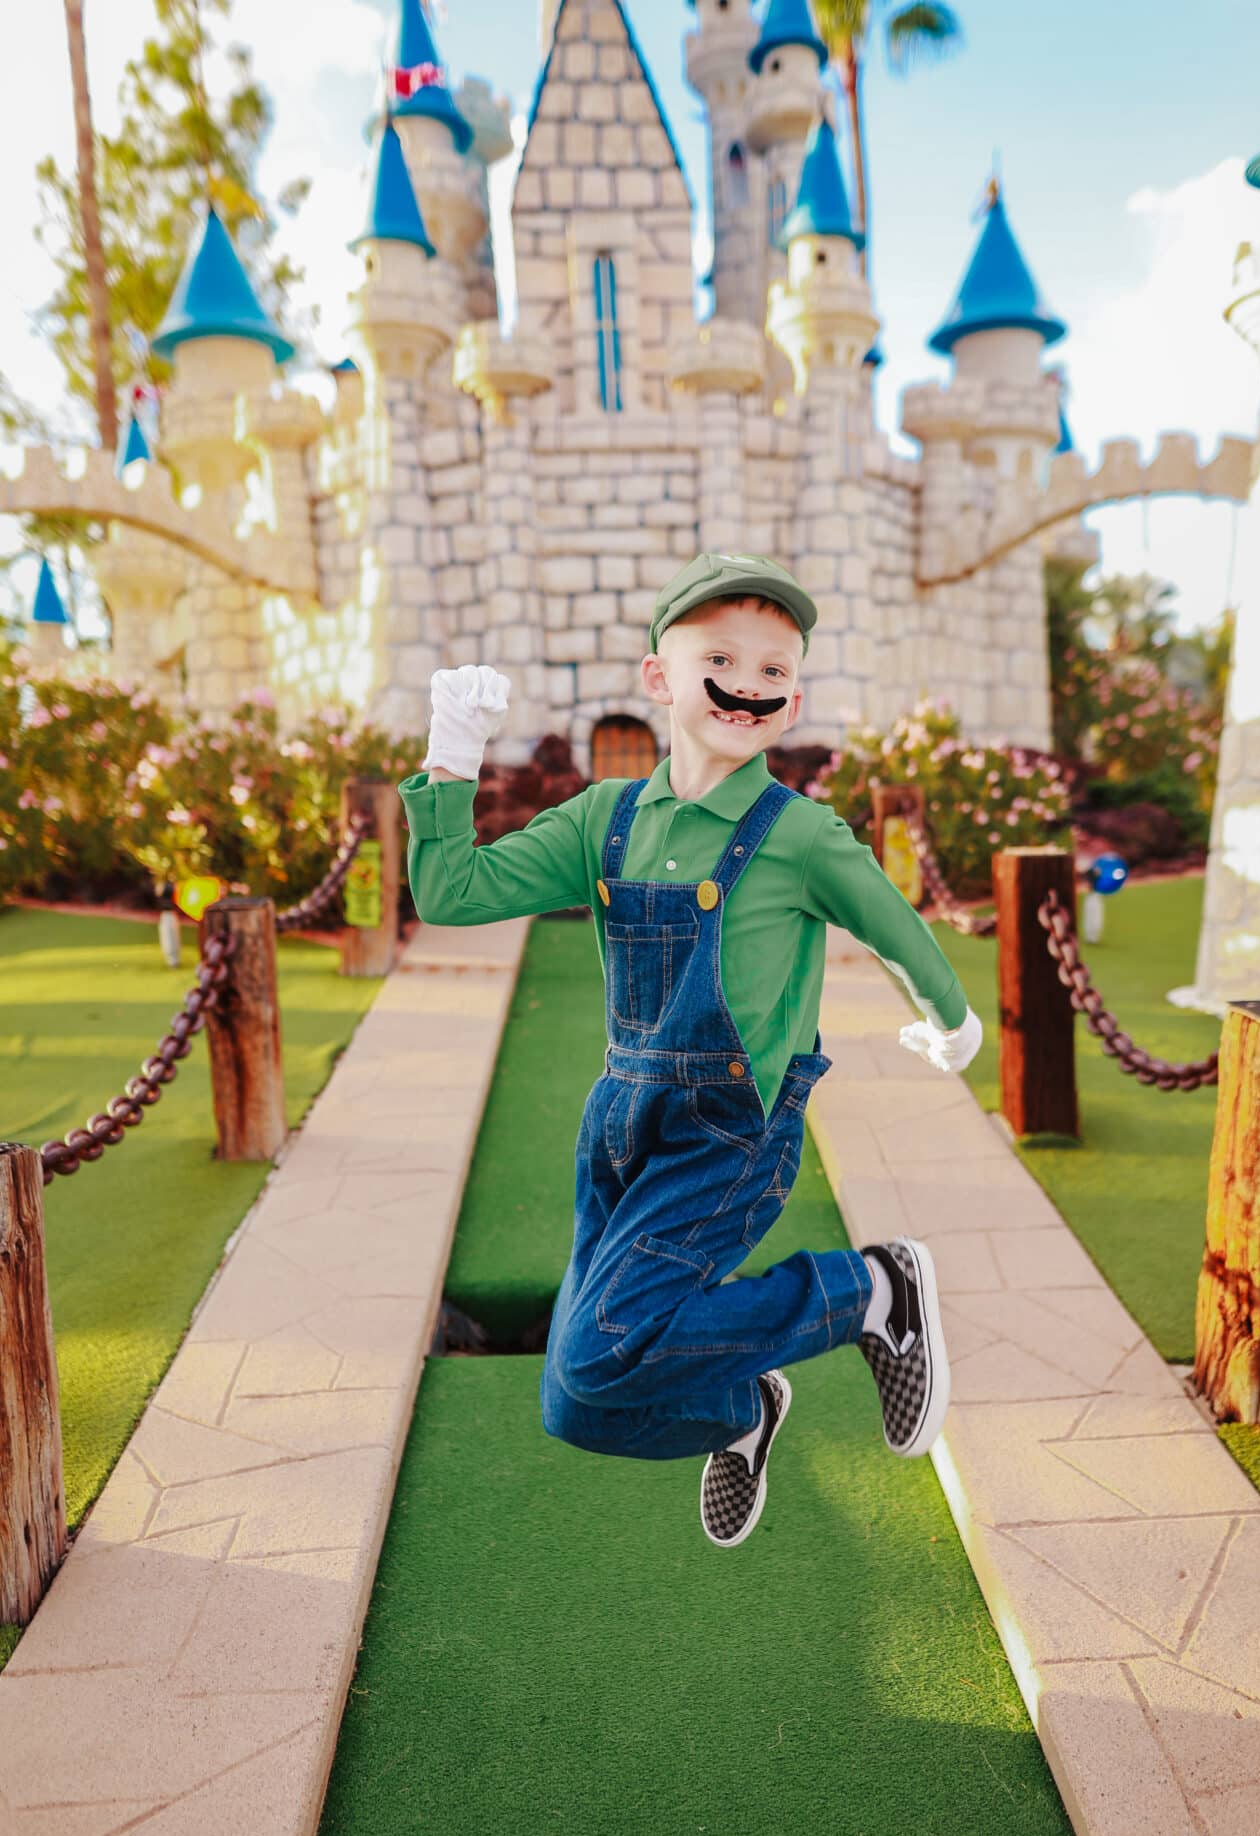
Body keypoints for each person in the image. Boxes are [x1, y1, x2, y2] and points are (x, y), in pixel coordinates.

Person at [397, 552, 983, 1548]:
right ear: (659, 678)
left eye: (772, 668)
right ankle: (742, 1409)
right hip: (621, 1127)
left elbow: (894, 923)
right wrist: (454, 750)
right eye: (720, 656)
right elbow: (452, 893)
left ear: (791, 701)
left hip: (732, 1134)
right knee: (576, 1404)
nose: (746, 682)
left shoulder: (797, 834)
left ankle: (874, 1287)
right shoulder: (603, 818)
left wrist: (952, 1016)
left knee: (597, 1354)